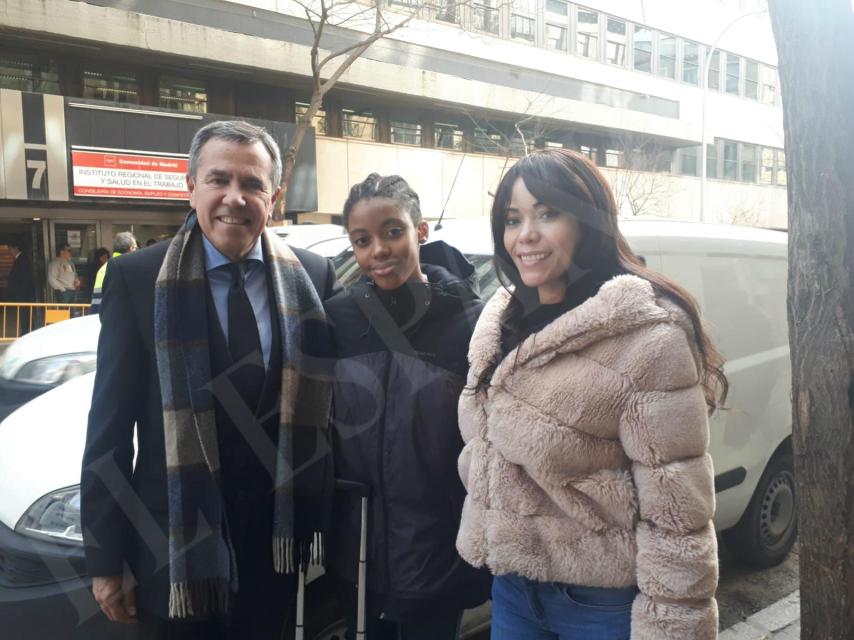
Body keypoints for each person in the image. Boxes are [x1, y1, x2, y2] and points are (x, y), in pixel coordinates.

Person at [81, 120, 340, 640]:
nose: (234, 198)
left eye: (252, 185)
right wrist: (105, 559)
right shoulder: (138, 279)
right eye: (219, 180)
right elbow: (109, 428)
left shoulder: (313, 277)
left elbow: (329, 414)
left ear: (275, 197)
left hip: (275, 550)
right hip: (172, 549)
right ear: (190, 186)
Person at [455, 149, 727, 640]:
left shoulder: (646, 337)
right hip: (515, 589)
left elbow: (678, 515)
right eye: (513, 219)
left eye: (548, 213)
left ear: (588, 221)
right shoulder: (501, 322)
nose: (526, 235)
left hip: (600, 606)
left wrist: (672, 627)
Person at [325, 174, 492, 640]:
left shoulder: (471, 322)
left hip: (440, 552)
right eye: (362, 240)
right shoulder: (338, 318)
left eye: (392, 232)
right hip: (358, 554)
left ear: (420, 230)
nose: (378, 250)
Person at [90, 233, 138, 313]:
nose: (137, 251)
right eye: (136, 248)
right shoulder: (128, 267)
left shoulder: (103, 268)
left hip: (100, 315)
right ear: (131, 248)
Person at [4, 241, 35, 335]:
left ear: (15, 248)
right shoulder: (20, 259)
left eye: (10, 249)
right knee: (24, 312)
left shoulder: (23, 259)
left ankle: (27, 332)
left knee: (25, 313)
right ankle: (27, 331)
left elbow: (24, 277)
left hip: (24, 293)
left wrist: (21, 292)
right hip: (23, 293)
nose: (9, 251)